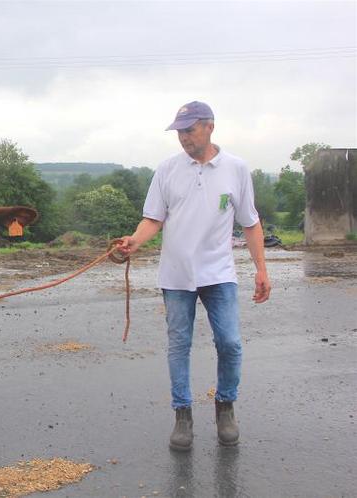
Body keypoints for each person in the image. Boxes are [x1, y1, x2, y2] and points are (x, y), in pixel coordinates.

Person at [119, 101, 271, 451]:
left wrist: (262, 269)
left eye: (189, 130)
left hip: (219, 273)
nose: (184, 138)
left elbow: (250, 222)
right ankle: (182, 415)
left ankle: (225, 407)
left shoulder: (235, 168)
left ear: (209, 127)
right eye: (179, 131)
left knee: (230, 343)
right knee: (179, 345)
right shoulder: (168, 169)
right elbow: (153, 218)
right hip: (176, 275)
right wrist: (134, 242)